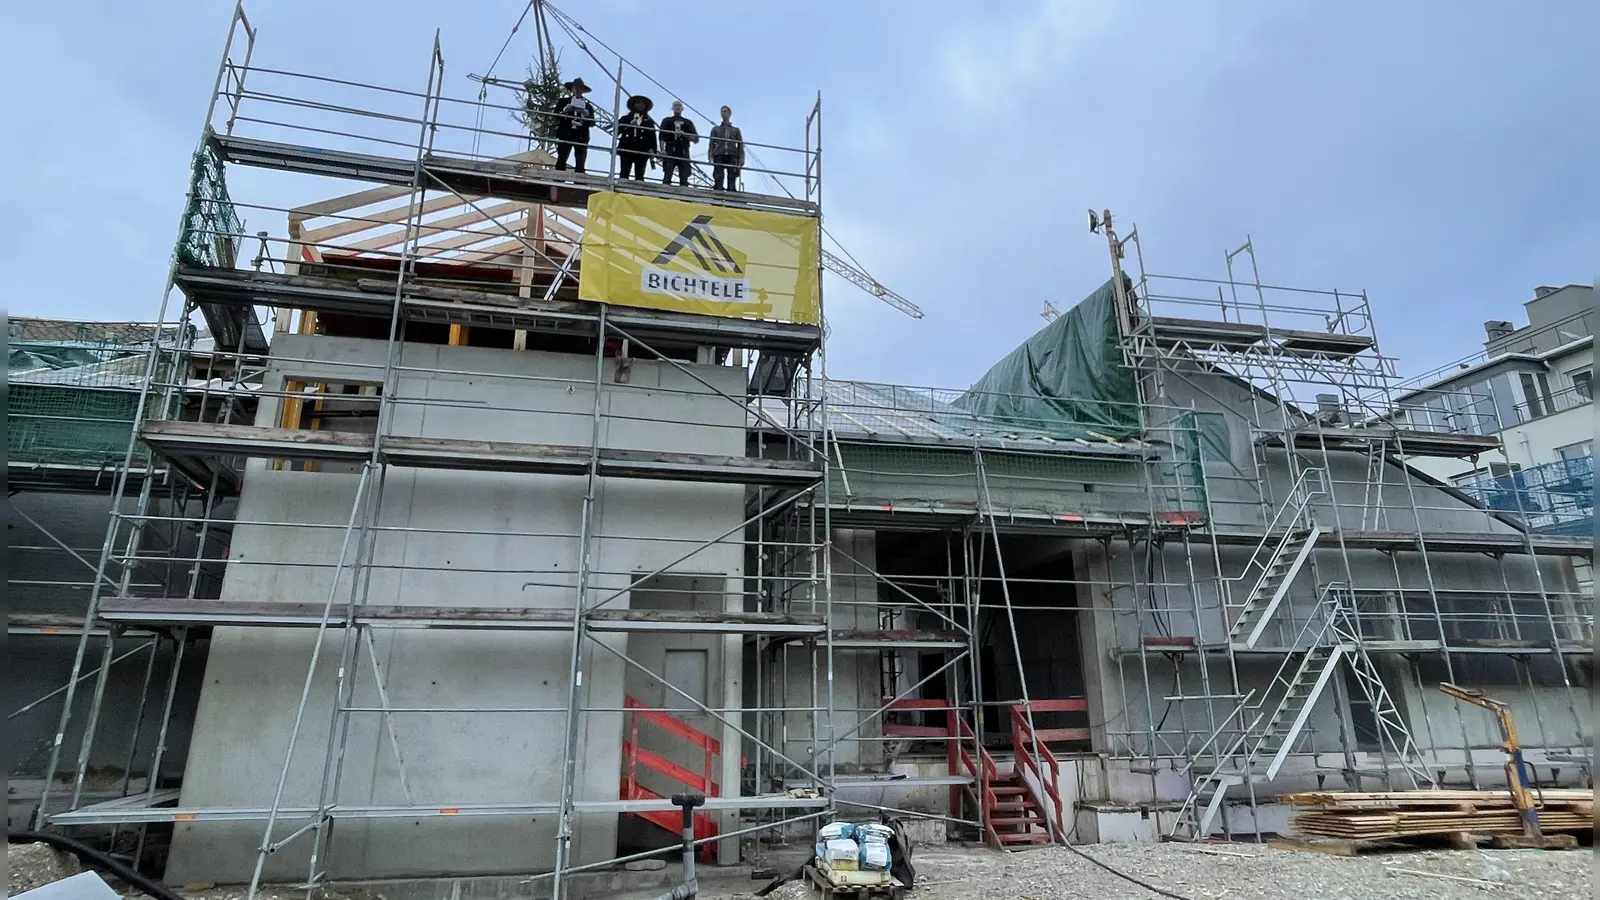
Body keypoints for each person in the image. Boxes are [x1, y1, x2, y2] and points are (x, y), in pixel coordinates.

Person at [550, 78, 597, 173]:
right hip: (565, 133)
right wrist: (565, 110)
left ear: (583, 91)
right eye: (576, 88)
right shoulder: (563, 102)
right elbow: (555, 115)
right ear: (571, 89)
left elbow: (592, 123)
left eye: (580, 88)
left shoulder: (588, 106)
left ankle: (578, 182)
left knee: (580, 160)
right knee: (562, 158)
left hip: (581, 136)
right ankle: (558, 180)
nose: (578, 90)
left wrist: (586, 114)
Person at [616, 95, 658, 181]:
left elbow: (652, 137)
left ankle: (639, 191)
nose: (640, 106)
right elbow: (616, 131)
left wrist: (653, 149)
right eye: (638, 103)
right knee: (624, 172)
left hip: (642, 150)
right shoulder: (625, 119)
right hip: (626, 147)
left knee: (640, 174)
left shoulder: (649, 122)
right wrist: (628, 125)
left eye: (643, 104)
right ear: (634, 105)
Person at [657, 100, 699, 187]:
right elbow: (661, 136)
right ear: (672, 108)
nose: (677, 107)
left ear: (682, 108)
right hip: (670, 149)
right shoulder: (667, 121)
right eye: (675, 105)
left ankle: (684, 194)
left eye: (679, 106)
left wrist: (685, 134)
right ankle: (665, 194)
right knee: (667, 174)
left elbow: (696, 139)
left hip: (683, 150)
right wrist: (662, 150)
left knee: (684, 175)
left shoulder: (688, 123)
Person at [708, 105, 745, 191]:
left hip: (732, 154)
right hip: (719, 154)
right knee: (718, 175)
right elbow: (711, 144)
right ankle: (718, 191)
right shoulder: (715, 129)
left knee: (732, 175)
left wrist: (741, 158)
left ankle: (731, 192)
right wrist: (710, 156)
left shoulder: (736, 130)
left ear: (729, 114)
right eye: (722, 112)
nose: (723, 113)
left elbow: (740, 145)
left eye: (725, 111)